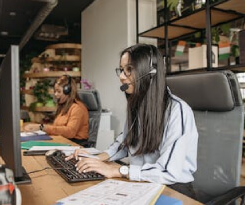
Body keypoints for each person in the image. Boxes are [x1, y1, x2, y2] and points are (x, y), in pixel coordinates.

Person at [66, 44, 198, 199]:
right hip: (142, 182)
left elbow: (169, 171)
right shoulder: (137, 105)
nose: (122, 76)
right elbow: (125, 142)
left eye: (129, 69)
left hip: (172, 189)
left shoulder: (178, 111)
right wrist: (98, 157)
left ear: (150, 72)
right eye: (121, 70)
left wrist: (118, 171)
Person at [24, 75, 89, 145]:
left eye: (58, 91)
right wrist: (39, 127)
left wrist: (42, 127)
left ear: (68, 91)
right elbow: (57, 127)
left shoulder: (77, 108)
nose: (55, 94)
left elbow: (70, 132)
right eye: (55, 91)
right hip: (63, 141)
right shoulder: (64, 107)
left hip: (75, 144)